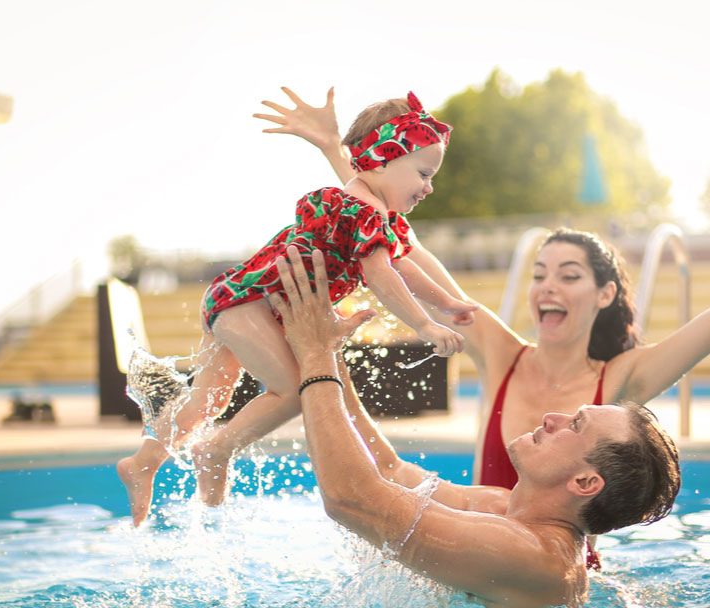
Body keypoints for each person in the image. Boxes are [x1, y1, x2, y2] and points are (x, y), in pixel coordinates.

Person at [255, 88, 710, 506]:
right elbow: (401, 242)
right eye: (539, 273)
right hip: (465, 554)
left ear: (604, 294)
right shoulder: (501, 354)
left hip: (543, 576)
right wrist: (337, 157)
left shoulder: (619, 383)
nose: (545, 288)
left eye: (566, 274)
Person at [119, 92, 476, 526]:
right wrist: (423, 324)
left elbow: (403, 265)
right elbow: (384, 277)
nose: (429, 186)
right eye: (422, 173)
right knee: (293, 391)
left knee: (209, 399)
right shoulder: (361, 211)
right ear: (381, 160)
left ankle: (144, 460)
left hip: (235, 299)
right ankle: (214, 451)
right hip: (250, 303)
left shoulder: (372, 212)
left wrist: (449, 302)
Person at [269, 245, 681, 608]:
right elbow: (389, 472)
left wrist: (315, 354)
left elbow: (352, 501)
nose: (552, 418)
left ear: (586, 482)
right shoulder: (504, 509)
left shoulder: (530, 555)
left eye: (574, 425)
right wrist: (328, 349)